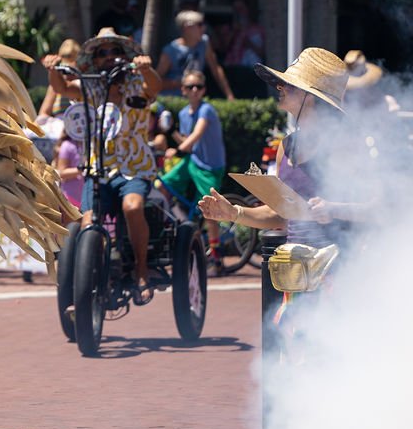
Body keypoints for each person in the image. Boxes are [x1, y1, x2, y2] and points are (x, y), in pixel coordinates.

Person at [199, 48, 373, 248]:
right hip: (297, 269)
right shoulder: (286, 146)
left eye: (290, 85)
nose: (280, 87)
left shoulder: (345, 146)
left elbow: (376, 209)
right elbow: (280, 214)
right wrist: (234, 213)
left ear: (310, 96)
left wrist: (333, 209)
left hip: (339, 268)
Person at [66, 31, 162, 304]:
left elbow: (154, 87)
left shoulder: (136, 82)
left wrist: (146, 68)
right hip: (99, 170)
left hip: (134, 167)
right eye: (102, 53)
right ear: (95, 60)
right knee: (87, 223)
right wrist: (51, 69)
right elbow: (62, 88)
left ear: (124, 55)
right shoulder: (90, 87)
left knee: (132, 207)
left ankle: (141, 269)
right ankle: (90, 281)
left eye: (114, 51)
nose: (109, 58)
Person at [157, 68, 228, 272]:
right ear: (183, 90)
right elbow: (187, 141)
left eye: (199, 86)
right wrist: (171, 132)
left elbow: (196, 136)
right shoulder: (182, 113)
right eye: (190, 87)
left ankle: (216, 257)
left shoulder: (206, 110)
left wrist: (177, 149)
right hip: (192, 161)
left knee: (210, 211)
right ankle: (173, 225)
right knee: (163, 185)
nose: (195, 90)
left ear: (204, 90)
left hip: (209, 167)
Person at [158, 9, 235, 100]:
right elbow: (156, 81)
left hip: (194, 99)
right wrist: (182, 82)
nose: (204, 28)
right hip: (173, 100)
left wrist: (229, 95)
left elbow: (216, 69)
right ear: (187, 27)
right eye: (200, 25)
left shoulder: (204, 43)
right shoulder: (170, 50)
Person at [34, 38, 80, 159]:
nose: (68, 74)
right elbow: (43, 114)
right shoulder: (55, 86)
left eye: (72, 69)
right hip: (56, 135)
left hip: (78, 130)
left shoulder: (83, 85)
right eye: (65, 70)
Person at [223, 0, 265, 68]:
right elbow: (222, 49)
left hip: (249, 68)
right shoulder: (228, 28)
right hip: (232, 66)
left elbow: (262, 53)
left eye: (241, 8)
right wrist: (233, 32)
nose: (239, 12)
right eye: (236, 9)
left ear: (247, 9)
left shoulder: (257, 30)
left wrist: (248, 43)